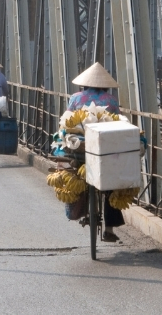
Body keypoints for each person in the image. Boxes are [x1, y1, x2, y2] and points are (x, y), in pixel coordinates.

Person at [66, 62, 124, 242]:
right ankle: (110, 229)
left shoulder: (75, 98)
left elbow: (67, 122)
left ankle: (78, 208)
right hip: (104, 149)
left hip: (80, 149)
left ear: (85, 84)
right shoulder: (111, 100)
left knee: (73, 173)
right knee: (112, 184)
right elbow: (117, 121)